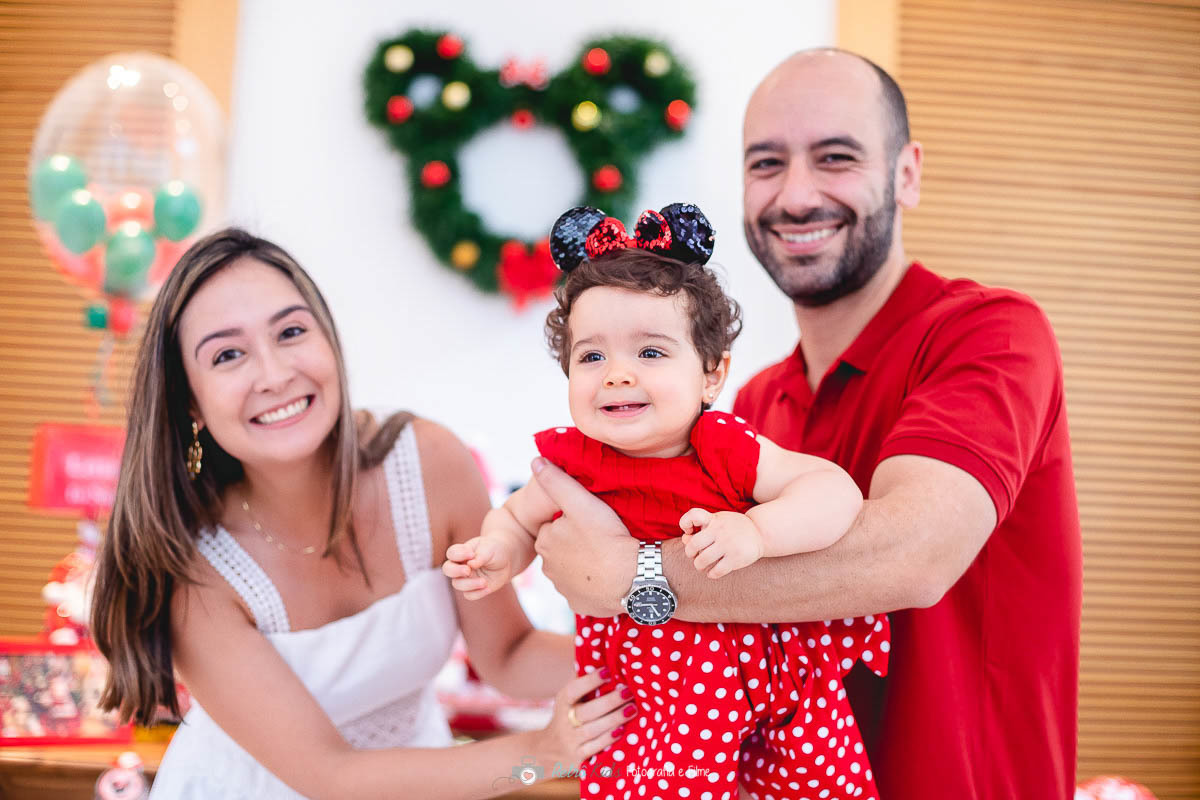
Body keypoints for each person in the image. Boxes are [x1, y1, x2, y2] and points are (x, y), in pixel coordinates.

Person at [527, 50, 1082, 800]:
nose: (795, 194)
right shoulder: (750, 407)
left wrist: (636, 579)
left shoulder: (990, 334)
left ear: (907, 173)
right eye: (766, 164)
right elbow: (708, 639)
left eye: (836, 157)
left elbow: (912, 556)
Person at [88, 228, 631, 800]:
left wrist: (657, 653)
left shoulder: (429, 465)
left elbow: (509, 655)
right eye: (227, 354)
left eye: (291, 332)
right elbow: (332, 777)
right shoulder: (193, 570)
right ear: (190, 399)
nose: (274, 375)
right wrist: (541, 756)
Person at [444, 203, 887, 800]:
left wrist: (759, 533)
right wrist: (498, 550)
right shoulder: (574, 462)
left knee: (817, 784)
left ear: (711, 374)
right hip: (649, 699)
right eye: (592, 356)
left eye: (650, 353)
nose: (617, 374)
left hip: (769, 683)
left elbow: (832, 492)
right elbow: (517, 519)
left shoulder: (722, 445)